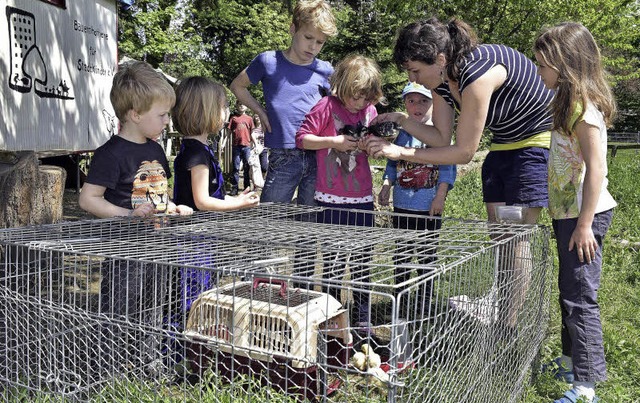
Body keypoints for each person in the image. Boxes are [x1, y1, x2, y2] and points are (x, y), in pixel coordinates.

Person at [363, 17, 555, 328]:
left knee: (515, 236)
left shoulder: (476, 74)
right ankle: (501, 301)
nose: (413, 78)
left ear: (439, 59)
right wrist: (400, 120)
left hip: (535, 147)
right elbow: (440, 137)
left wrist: (399, 152)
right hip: (504, 147)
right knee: (499, 234)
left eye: (415, 71)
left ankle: (506, 326)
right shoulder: (441, 81)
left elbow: (464, 151)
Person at [78, 60, 193, 377]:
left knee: (154, 307)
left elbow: (157, 195)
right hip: (126, 251)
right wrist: (128, 214)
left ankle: (148, 364)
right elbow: (88, 199)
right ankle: (108, 367)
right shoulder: (110, 154)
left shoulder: (157, 151)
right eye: (162, 114)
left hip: (158, 245)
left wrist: (173, 207)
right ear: (135, 114)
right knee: (120, 308)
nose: (168, 120)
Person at [534, 22, 617, 403]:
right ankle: (570, 361)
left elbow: (596, 167)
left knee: (580, 295)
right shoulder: (565, 105)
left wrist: (584, 225)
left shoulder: (584, 111)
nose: (539, 72)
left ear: (565, 64)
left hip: (585, 216)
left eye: (542, 65)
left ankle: (586, 387)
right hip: (569, 214)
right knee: (569, 287)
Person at [296, 54, 385, 333]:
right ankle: (333, 317)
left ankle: (361, 317)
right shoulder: (326, 106)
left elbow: (377, 139)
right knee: (334, 262)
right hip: (330, 198)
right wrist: (333, 141)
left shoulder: (369, 111)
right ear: (343, 86)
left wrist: (372, 144)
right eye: (356, 97)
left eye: (366, 98)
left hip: (362, 198)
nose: (360, 104)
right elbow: (303, 139)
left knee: (361, 261)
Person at [170, 76, 260, 344]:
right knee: (192, 291)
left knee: (199, 289)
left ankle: (194, 341)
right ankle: (181, 345)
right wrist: (238, 204)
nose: (226, 113)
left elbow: (208, 194)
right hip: (193, 239)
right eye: (222, 106)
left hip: (199, 236)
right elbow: (202, 201)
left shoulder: (196, 148)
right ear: (204, 110)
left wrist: (232, 197)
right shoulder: (197, 154)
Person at [230, 0, 337, 205]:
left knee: (311, 219)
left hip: (318, 154)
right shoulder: (268, 61)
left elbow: (339, 106)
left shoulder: (326, 70)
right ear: (293, 29)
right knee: (272, 217)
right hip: (283, 154)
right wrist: (260, 111)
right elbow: (237, 86)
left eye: (320, 42)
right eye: (308, 37)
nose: (313, 46)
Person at [378, 82, 456, 318]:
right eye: (411, 101)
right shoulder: (401, 134)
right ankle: (399, 301)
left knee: (426, 257)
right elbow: (392, 164)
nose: (417, 106)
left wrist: (440, 196)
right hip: (402, 207)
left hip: (428, 208)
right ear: (405, 105)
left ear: (433, 104)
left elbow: (447, 168)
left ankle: (424, 305)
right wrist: (385, 186)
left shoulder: (438, 134)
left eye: (423, 100)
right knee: (401, 255)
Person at [227, 101, 255, 195]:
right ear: (236, 106)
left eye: (243, 104)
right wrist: (223, 144)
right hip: (236, 146)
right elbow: (228, 133)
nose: (241, 106)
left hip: (246, 146)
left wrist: (255, 143)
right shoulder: (233, 118)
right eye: (239, 104)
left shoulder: (249, 119)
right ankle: (234, 188)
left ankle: (246, 188)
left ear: (247, 107)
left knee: (247, 167)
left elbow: (252, 133)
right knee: (235, 167)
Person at [251, 114, 269, 179]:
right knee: (255, 167)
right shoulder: (253, 127)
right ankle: (255, 185)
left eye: (259, 116)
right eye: (256, 116)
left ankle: (261, 179)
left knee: (264, 167)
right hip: (255, 149)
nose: (257, 118)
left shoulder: (264, 127)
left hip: (263, 149)